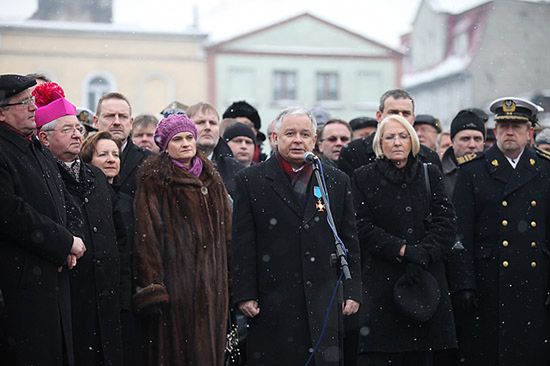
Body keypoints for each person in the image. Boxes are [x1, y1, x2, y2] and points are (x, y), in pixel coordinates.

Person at [231, 106, 362, 365]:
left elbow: (349, 240)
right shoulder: (251, 180)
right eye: (290, 133)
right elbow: (243, 243)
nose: (298, 140)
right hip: (272, 297)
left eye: (305, 134)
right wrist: (245, 293)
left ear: (314, 140)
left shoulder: (335, 180)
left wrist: (353, 290)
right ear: (276, 137)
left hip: (323, 297)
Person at [449, 97, 550, 366]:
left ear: (529, 132)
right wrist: (464, 283)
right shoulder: (474, 170)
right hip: (488, 282)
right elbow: (461, 234)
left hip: (534, 280)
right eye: (503, 125)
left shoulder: (545, 169)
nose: (509, 132)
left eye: (516, 126)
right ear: (494, 131)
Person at [352, 114, 457, 366]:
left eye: (403, 136)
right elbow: (361, 226)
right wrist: (400, 249)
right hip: (382, 282)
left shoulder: (430, 173)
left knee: (424, 356)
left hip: (426, 279)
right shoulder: (363, 176)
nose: (397, 142)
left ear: (412, 141)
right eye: (390, 137)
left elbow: (447, 222)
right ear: (380, 143)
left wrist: (423, 253)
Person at [34, 82, 123, 365]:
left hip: (106, 292)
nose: (76, 134)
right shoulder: (42, 177)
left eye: (77, 128)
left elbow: (118, 233)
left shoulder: (96, 177)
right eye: (66, 129)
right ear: (45, 138)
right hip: (70, 292)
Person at [0, 74, 86, 365]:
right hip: (19, 284)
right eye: (24, 102)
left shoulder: (37, 150)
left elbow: (59, 204)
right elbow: (10, 212)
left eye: (33, 100)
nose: (33, 107)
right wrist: (62, 243)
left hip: (52, 278)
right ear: (1, 111)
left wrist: (68, 245)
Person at [133, 114, 231, 365]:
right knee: (178, 353)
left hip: (213, 285)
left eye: (190, 137)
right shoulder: (155, 179)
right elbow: (147, 236)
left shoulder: (212, 178)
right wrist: (153, 286)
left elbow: (228, 232)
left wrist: (230, 278)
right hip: (176, 284)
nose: (186, 143)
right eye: (178, 139)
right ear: (165, 146)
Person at [81, 131, 142, 366]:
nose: (110, 159)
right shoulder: (83, 197)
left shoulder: (127, 200)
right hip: (96, 293)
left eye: (115, 155)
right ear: (89, 160)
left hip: (125, 292)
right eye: (103, 154)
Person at [338, 89, 441, 177]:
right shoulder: (353, 152)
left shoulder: (429, 157)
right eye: (393, 112)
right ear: (379, 116)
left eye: (406, 113)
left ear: (413, 119)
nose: (400, 117)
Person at [93, 92, 151, 197]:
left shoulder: (149, 161)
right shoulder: (81, 158)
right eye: (110, 116)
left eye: (123, 116)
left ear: (131, 122)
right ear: (96, 121)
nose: (117, 122)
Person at [187, 102, 244, 197]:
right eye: (201, 122)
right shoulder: (170, 168)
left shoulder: (236, 170)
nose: (208, 127)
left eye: (213, 123)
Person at [441, 109, 486, 196]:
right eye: (465, 139)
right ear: (453, 142)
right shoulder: (438, 174)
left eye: (477, 139)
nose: (472, 145)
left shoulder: (495, 172)